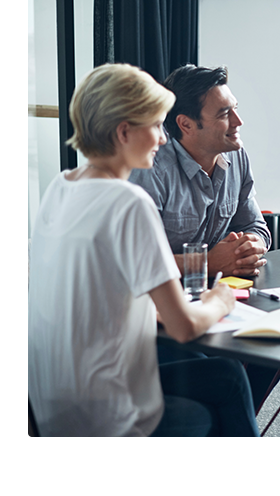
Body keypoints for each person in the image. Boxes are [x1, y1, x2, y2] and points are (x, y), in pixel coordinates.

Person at [28, 63, 258, 436]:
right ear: (124, 132)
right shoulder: (128, 203)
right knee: (223, 386)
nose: (164, 139)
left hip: (53, 405)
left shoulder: (61, 186)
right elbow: (185, 327)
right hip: (107, 415)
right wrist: (220, 300)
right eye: (155, 125)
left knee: (223, 376)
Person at [129, 64, 279, 411]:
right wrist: (210, 261)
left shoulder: (237, 155)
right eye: (225, 114)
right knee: (223, 373)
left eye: (235, 109)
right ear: (185, 124)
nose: (238, 122)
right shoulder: (151, 170)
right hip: (158, 314)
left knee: (275, 345)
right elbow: (138, 263)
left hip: (217, 298)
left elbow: (257, 226)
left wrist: (250, 247)